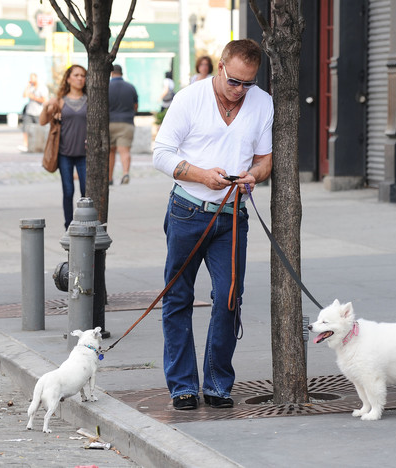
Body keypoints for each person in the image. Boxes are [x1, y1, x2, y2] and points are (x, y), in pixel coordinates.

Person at [152, 39, 273, 411]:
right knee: (178, 298)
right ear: (220, 67)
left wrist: (252, 175)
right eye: (234, 81)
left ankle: (218, 382)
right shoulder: (190, 98)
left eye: (247, 84)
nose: (239, 91)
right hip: (187, 210)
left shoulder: (262, 102)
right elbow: (160, 154)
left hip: (232, 216)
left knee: (228, 298)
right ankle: (183, 386)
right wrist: (202, 175)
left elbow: (265, 160)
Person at [39, 65, 87, 230]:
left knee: (85, 191)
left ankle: (84, 222)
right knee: (68, 191)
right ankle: (68, 226)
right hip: (64, 152)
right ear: (68, 79)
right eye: (76, 75)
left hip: (84, 153)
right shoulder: (60, 101)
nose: (80, 78)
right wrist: (47, 106)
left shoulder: (90, 100)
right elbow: (43, 121)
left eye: (83, 75)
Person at [108, 64, 138, 185]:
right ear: (122, 73)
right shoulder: (130, 87)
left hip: (109, 122)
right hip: (126, 123)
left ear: (111, 73)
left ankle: (109, 178)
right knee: (124, 151)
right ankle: (125, 173)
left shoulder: (107, 86)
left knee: (110, 151)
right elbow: (135, 106)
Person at [20, 73, 49, 152]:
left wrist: (34, 97)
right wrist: (27, 86)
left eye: (33, 78)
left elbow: (44, 100)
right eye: (30, 78)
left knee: (40, 129)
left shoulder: (42, 88)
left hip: (38, 112)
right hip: (29, 111)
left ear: (36, 78)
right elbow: (24, 95)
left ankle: (41, 145)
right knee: (26, 128)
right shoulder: (30, 87)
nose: (31, 80)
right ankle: (25, 145)